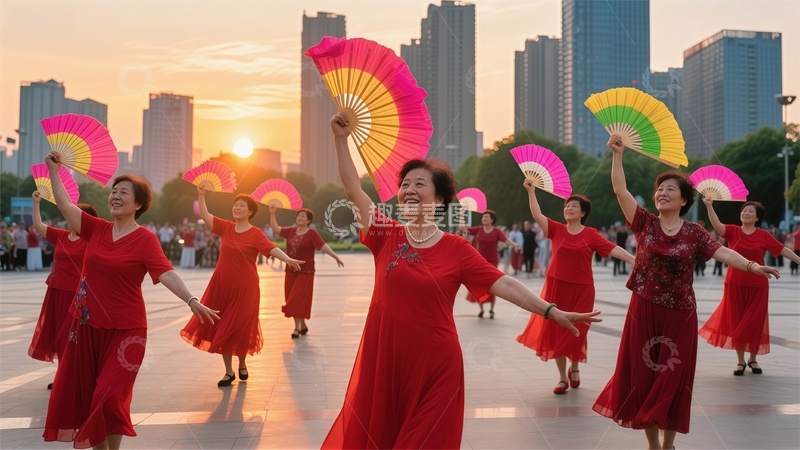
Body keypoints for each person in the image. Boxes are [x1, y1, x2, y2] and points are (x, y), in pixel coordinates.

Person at [322, 112, 601, 448]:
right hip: (384, 360)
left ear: (439, 200)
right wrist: (341, 139)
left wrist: (550, 311)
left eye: (419, 184)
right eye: (404, 185)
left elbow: (506, 284)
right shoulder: (386, 234)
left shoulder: (456, 249)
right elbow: (354, 190)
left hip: (436, 365)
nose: (409, 190)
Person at [593, 135, 780, 450]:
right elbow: (620, 190)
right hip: (643, 310)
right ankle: (654, 445)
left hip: (680, 313)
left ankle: (669, 443)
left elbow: (723, 253)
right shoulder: (645, 224)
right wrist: (617, 155)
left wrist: (751, 266)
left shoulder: (695, 232)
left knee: (672, 377)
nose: (662, 193)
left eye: (670, 189)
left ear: (683, 200)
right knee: (643, 375)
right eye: (659, 189)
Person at [42, 151, 219, 450]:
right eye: (113, 191)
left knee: (108, 395)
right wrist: (55, 171)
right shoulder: (95, 229)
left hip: (127, 332)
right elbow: (63, 204)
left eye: (123, 192)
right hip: (86, 328)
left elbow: (166, 272)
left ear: (138, 204)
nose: (115, 196)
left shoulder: (145, 239)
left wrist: (191, 299)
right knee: (89, 398)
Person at [517, 180, 634, 394]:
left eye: (573, 206)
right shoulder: (556, 230)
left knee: (577, 330)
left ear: (583, 212)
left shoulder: (591, 234)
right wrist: (531, 192)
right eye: (567, 206)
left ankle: (575, 366)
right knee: (557, 330)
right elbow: (537, 216)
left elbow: (613, 249)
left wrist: (634, 260)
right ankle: (562, 378)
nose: (568, 208)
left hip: (582, 290)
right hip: (556, 288)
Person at [181, 187, 303, 387]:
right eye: (235, 205)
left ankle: (242, 363)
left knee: (240, 328)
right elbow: (205, 214)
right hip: (221, 286)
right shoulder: (226, 227)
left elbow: (271, 249)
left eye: (242, 206)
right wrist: (201, 195)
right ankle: (228, 372)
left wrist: (287, 258)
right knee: (222, 328)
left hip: (246, 289)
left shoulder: (255, 234)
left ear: (250, 212)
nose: (237, 208)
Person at [698, 199, 800, 375]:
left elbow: (782, 249)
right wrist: (709, 205)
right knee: (737, 322)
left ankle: (753, 359)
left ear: (757, 217)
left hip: (758, 286)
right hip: (734, 284)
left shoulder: (764, 235)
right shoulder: (733, 231)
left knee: (754, 323)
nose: (745, 213)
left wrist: (799, 260)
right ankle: (740, 361)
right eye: (744, 211)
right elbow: (716, 224)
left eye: (750, 212)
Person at [28, 191, 98, 389]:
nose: (69, 219)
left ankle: (74, 376)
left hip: (79, 296)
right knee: (57, 338)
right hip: (56, 293)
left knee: (68, 337)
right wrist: (36, 204)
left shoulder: (92, 238)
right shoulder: (62, 236)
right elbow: (39, 227)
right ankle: (63, 376)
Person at [268, 205, 344, 338]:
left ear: (308, 220)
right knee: (292, 300)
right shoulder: (291, 231)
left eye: (303, 216)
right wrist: (272, 214)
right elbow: (276, 229)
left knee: (296, 300)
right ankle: (302, 325)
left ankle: (296, 328)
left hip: (306, 273)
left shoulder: (312, 233)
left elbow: (323, 246)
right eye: (299, 216)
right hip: (291, 272)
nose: (300, 218)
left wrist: (335, 256)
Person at [461, 211, 522, 318]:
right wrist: (461, 215)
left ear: (492, 219)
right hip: (479, 261)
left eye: (487, 217)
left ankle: (491, 309)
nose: (484, 218)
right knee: (479, 284)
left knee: (492, 285)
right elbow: (463, 229)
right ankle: (481, 309)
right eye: (483, 217)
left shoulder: (497, 231)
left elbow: (506, 240)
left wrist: (516, 245)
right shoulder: (479, 229)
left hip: (492, 261)